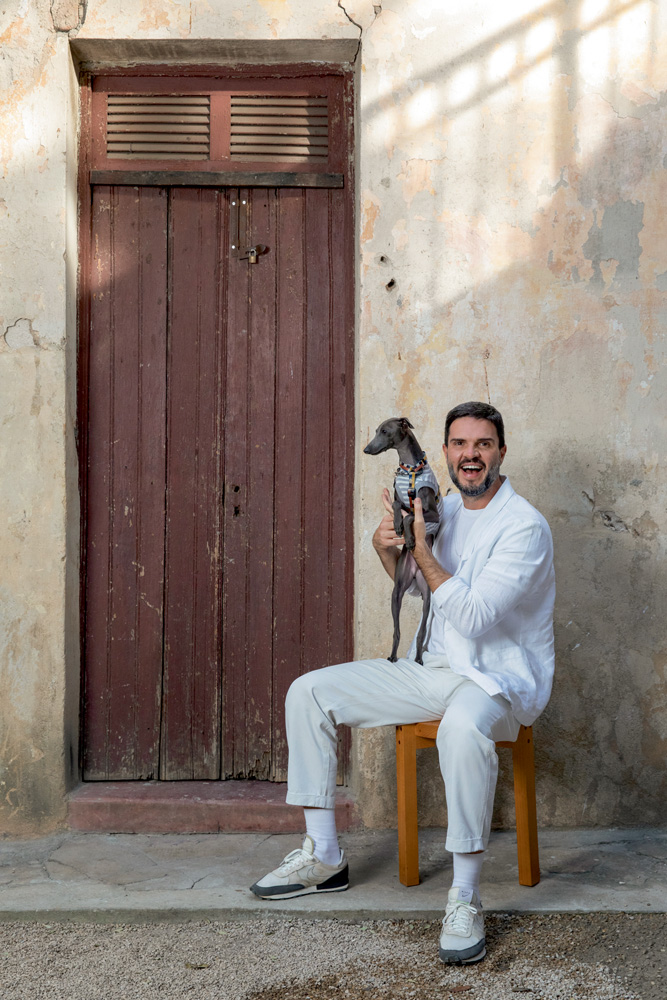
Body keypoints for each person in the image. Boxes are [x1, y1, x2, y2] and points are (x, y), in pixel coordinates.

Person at [250, 401, 555, 966]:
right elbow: (422, 592)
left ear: (501, 453)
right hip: (431, 670)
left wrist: (421, 548)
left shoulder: (524, 527)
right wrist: (388, 550)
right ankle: (324, 855)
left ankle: (464, 894)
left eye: (483, 445)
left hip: (495, 684)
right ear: (443, 452)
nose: (470, 455)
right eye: (460, 445)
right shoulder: (449, 510)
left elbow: (472, 616)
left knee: (462, 730)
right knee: (308, 691)